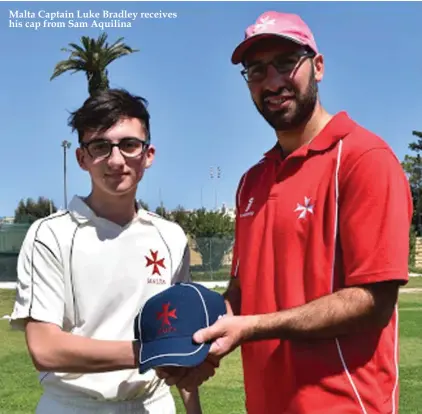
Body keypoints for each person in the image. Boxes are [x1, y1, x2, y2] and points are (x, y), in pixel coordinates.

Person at [158, 10, 413, 414]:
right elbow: (242, 294)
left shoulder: (365, 159)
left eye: (284, 63)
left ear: (318, 66)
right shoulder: (251, 182)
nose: (272, 82)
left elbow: (374, 302)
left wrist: (252, 327)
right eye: (256, 71)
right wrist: (201, 346)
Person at [9, 89, 202, 414]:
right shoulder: (51, 235)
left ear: (148, 154)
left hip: (153, 404)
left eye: (129, 144)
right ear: (82, 158)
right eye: (100, 146)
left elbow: (178, 338)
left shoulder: (170, 237)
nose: (115, 160)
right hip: (73, 405)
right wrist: (149, 352)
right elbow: (45, 348)